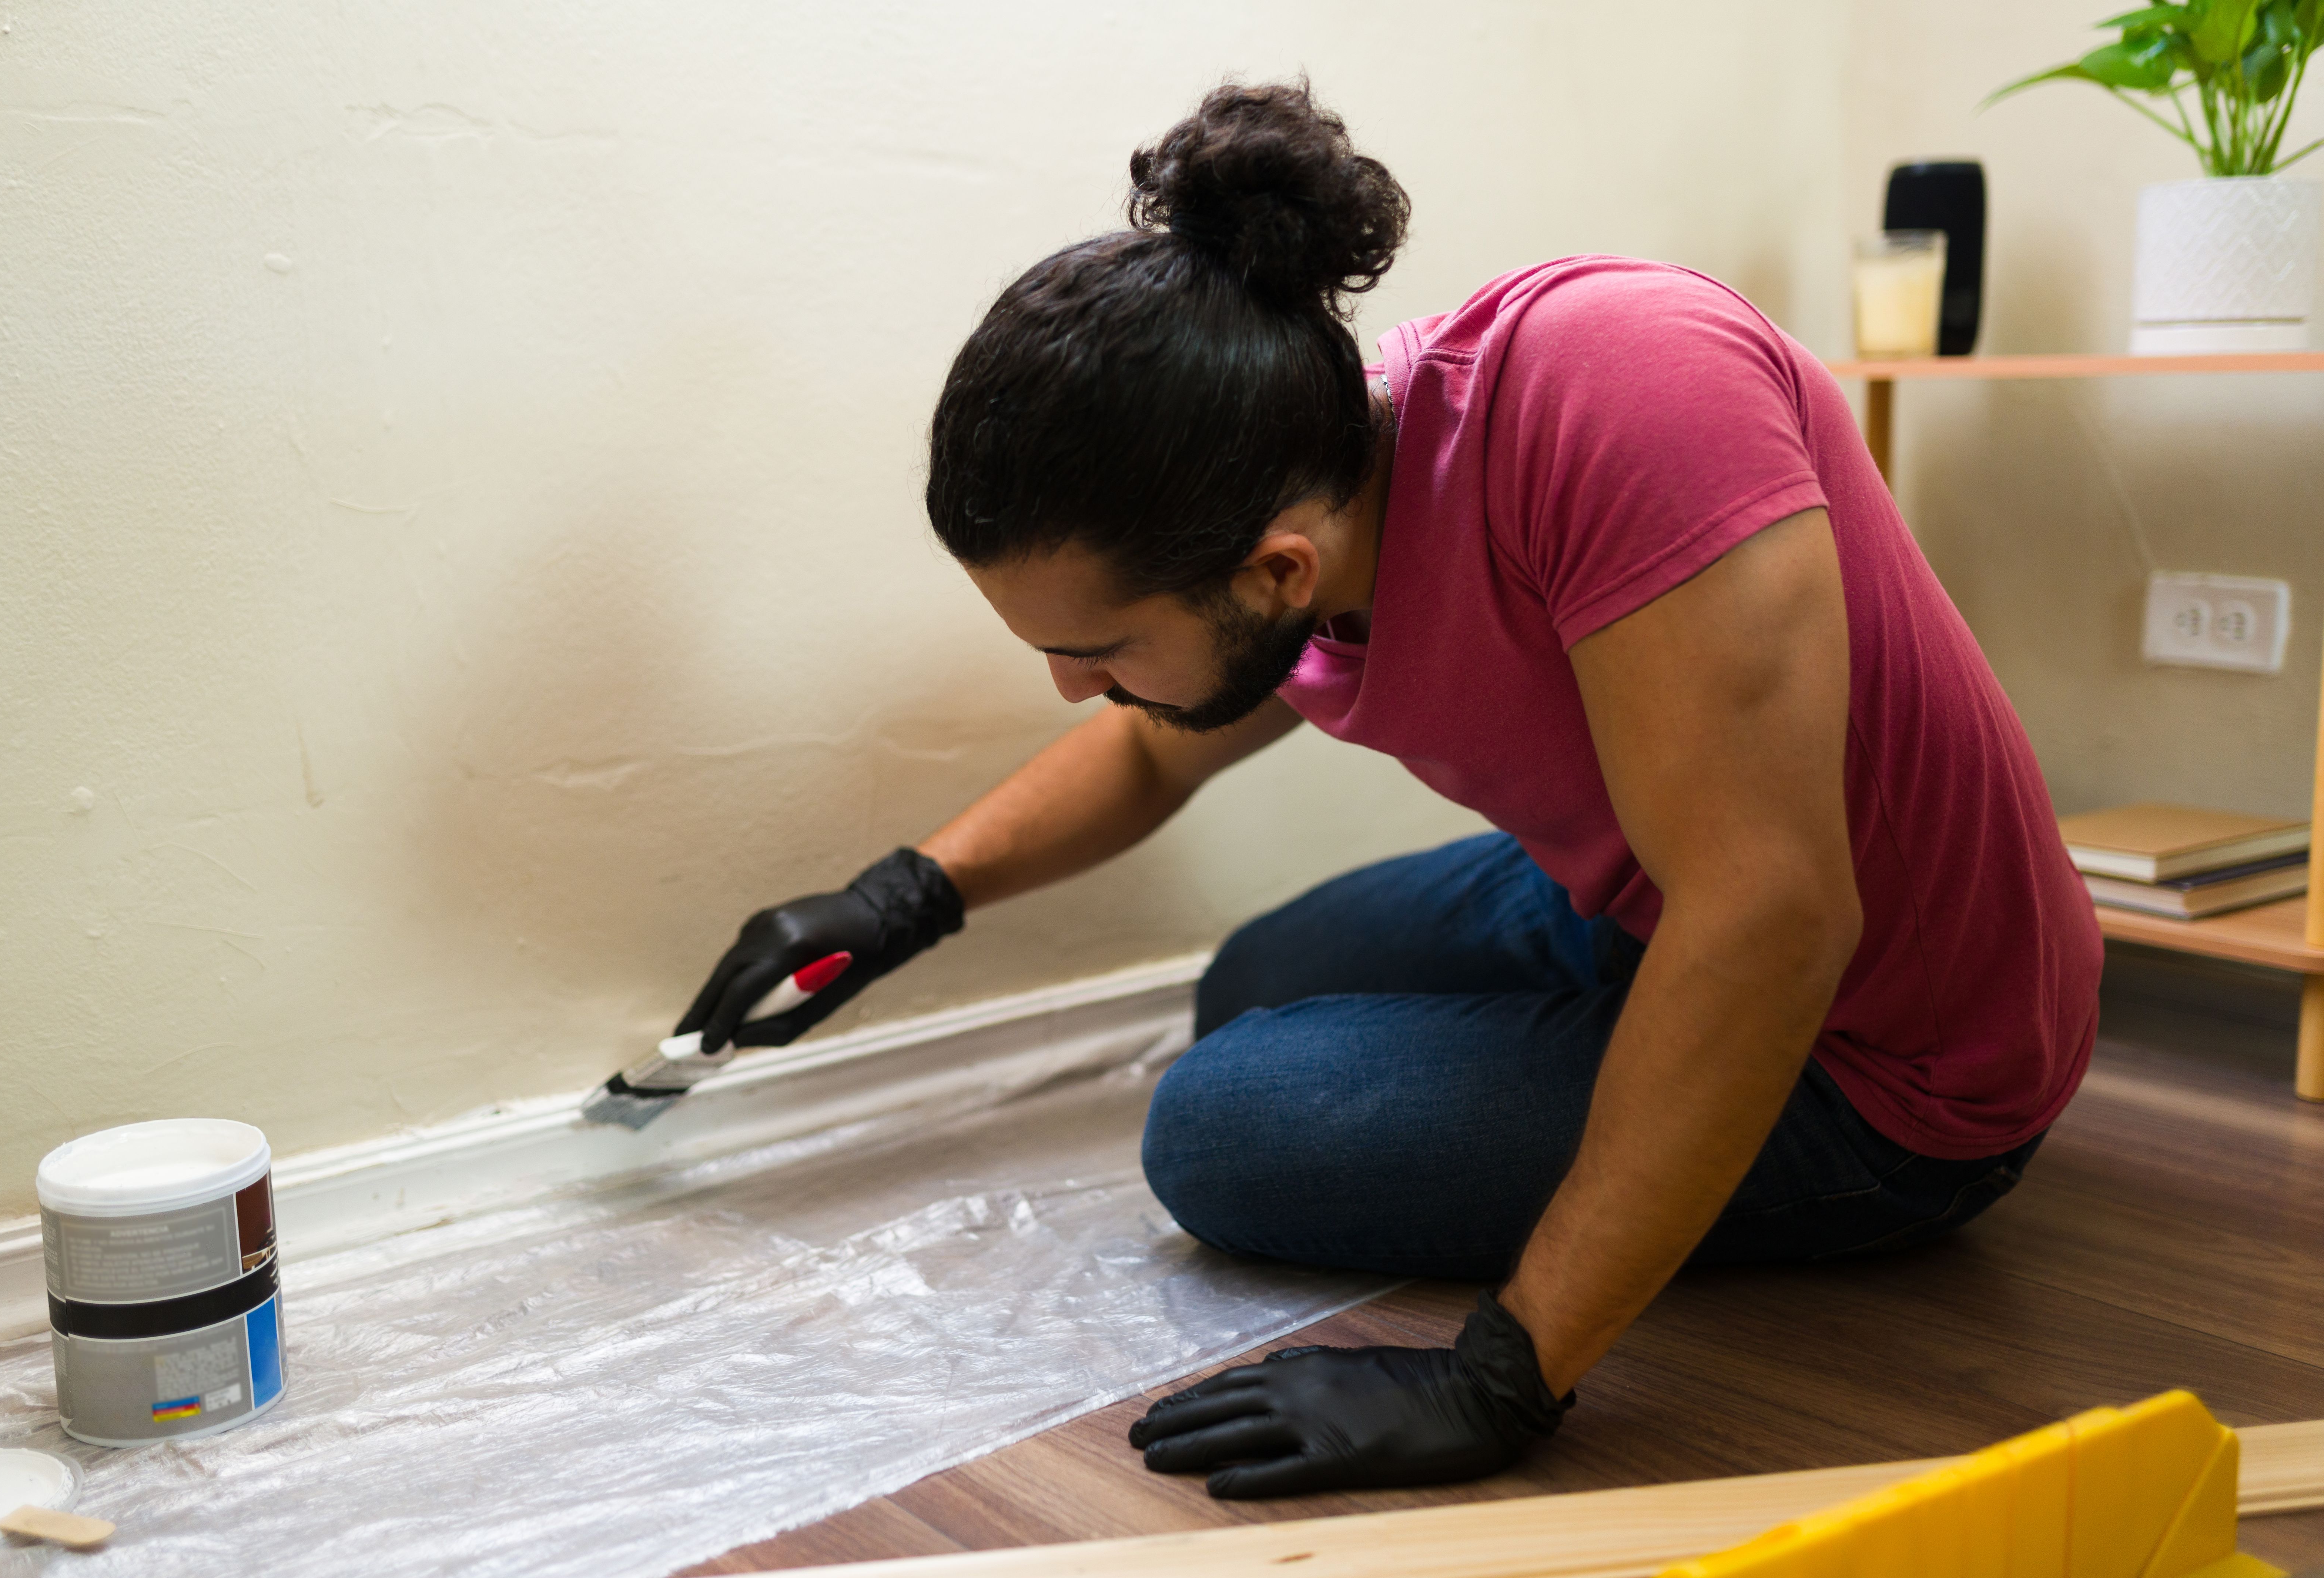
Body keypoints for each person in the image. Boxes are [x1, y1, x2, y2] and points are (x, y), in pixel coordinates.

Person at [671, 80, 2103, 1500]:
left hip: (1899, 1049)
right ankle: (1629, 1051)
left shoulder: (1623, 388)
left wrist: (1506, 1373)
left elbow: (1775, 915)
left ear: (1275, 572)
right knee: (1254, 984)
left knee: (1219, 1131)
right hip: (1648, 892)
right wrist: (901, 900)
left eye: (1095, 649)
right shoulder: (1301, 471)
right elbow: (1156, 734)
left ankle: (1712, 1111)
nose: (1071, 685)